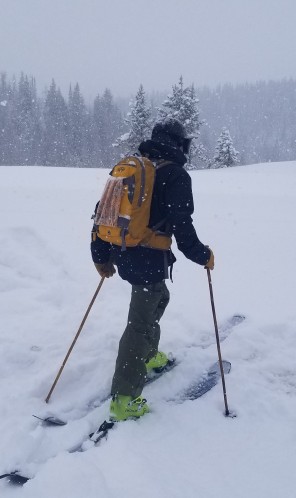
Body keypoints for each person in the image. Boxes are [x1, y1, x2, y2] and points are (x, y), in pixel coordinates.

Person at [91, 119, 215, 422]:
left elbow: (103, 214)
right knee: (140, 322)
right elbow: (182, 226)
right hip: (148, 257)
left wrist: (101, 256)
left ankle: (148, 355)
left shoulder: (136, 169)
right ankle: (124, 399)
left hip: (123, 250)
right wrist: (203, 255)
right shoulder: (175, 175)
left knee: (159, 297)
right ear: (179, 144)